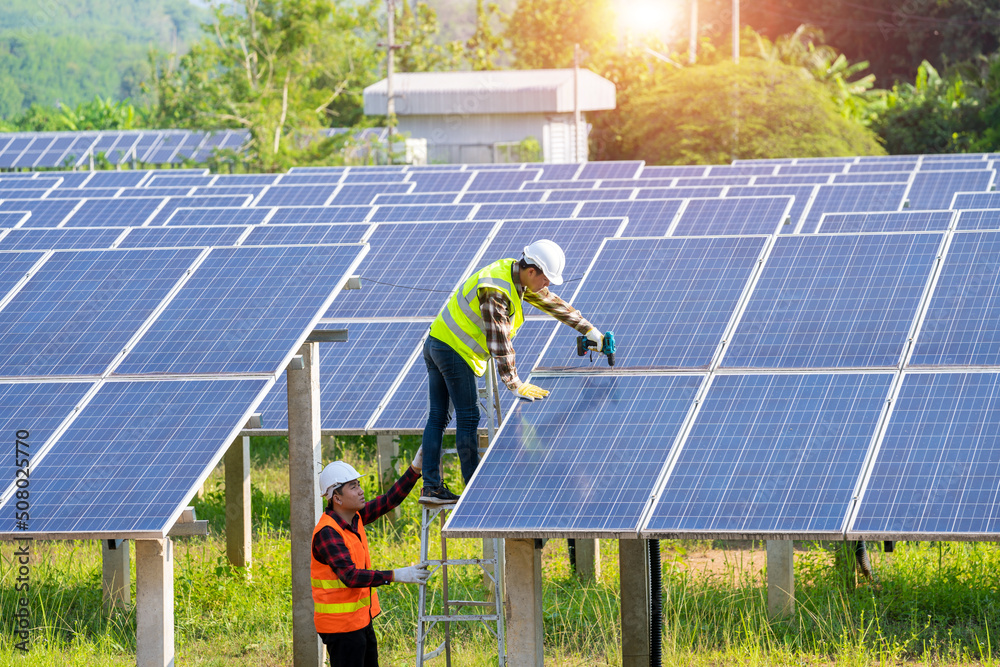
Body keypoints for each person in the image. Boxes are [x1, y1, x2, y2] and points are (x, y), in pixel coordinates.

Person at [419, 239, 606, 504]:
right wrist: (514, 383)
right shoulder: (496, 291)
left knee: (437, 417)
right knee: (469, 417)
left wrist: (588, 329)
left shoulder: (511, 272)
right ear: (532, 271)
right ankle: (474, 490)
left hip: (436, 341)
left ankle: (431, 487)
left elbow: (550, 302)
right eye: (546, 278)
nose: (548, 284)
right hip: (454, 351)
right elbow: (500, 343)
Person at [312, 449, 430, 667]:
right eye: (353, 487)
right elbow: (350, 576)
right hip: (340, 628)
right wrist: (396, 575)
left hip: (360, 621)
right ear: (336, 497)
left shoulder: (354, 517)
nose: (360, 491)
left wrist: (415, 468)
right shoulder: (327, 532)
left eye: (359, 485)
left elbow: (388, 501)